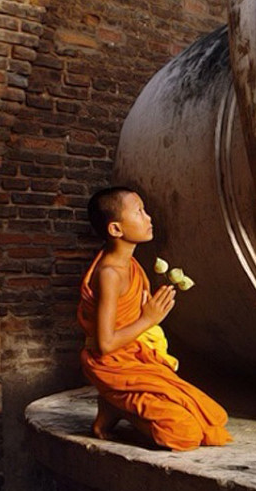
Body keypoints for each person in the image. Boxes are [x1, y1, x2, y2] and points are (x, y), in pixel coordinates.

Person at [77, 186, 233, 450]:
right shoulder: (110, 274)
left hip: (135, 358)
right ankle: (118, 408)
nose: (149, 218)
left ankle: (113, 405)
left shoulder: (132, 266)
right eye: (139, 212)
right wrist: (148, 319)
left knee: (213, 418)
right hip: (112, 364)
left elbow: (129, 318)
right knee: (184, 434)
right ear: (116, 229)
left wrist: (148, 314)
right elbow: (104, 345)